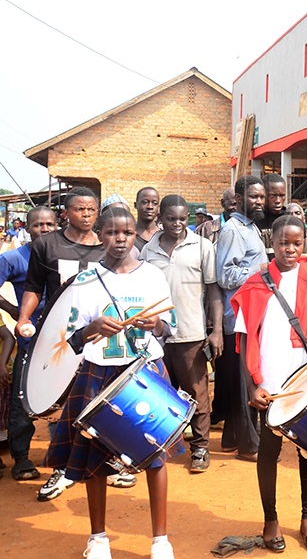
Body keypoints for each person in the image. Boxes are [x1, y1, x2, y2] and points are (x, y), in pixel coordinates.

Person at [45, 207, 177, 559]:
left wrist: (156, 326)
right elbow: (73, 338)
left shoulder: (152, 276)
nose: (120, 239)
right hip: (99, 371)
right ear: (99, 235)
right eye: (112, 233)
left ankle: (160, 540)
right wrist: (93, 328)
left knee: (154, 453)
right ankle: (98, 538)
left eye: (128, 233)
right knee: (94, 455)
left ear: (137, 234)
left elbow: (170, 325)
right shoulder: (86, 281)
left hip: (145, 371)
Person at [16, 187, 139, 499]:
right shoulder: (46, 245)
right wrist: (23, 319)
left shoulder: (108, 247)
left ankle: (107, 463)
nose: (86, 215)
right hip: (59, 338)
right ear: (65, 213)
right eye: (79, 209)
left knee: (99, 402)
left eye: (91, 210)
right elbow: (33, 287)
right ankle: (63, 469)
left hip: (100, 337)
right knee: (65, 404)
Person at [233, 215, 307, 553]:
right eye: (283, 243)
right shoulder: (254, 284)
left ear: (305, 243)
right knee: (269, 452)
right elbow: (246, 340)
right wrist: (252, 387)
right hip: (271, 381)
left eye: (296, 243)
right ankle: (270, 520)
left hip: (305, 378)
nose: (290, 249)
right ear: (271, 243)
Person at [141, 194, 223, 473]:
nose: (177, 224)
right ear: (160, 218)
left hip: (191, 333)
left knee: (197, 393)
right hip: (155, 337)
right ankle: (158, 446)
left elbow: (213, 290)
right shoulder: (147, 251)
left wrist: (216, 331)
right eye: (171, 218)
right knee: (160, 393)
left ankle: (200, 448)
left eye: (182, 218)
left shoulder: (202, 246)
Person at [215, 175, 269, 461]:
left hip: (249, 315)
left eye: (261, 197)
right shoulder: (234, 230)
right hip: (238, 318)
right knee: (245, 381)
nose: (259, 201)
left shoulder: (250, 228)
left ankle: (230, 440)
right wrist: (261, 270)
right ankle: (249, 445)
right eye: (254, 197)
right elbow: (225, 276)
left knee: (240, 380)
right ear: (238, 200)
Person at [1, 206, 56, 481]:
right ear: (27, 228)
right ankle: (21, 458)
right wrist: (14, 311)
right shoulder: (13, 258)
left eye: (49, 225)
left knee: (64, 400)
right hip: (28, 344)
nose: (44, 230)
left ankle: (63, 454)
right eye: (37, 225)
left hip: (62, 344)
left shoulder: (63, 256)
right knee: (22, 400)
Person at [256, 173, 288, 259]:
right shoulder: (253, 221)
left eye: (281, 196)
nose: (278, 200)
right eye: (273, 196)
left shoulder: (290, 222)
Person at [133, 187, 161, 251]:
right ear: (135, 205)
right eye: (145, 202)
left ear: (158, 207)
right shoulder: (128, 235)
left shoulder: (163, 235)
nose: (150, 207)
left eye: (155, 203)